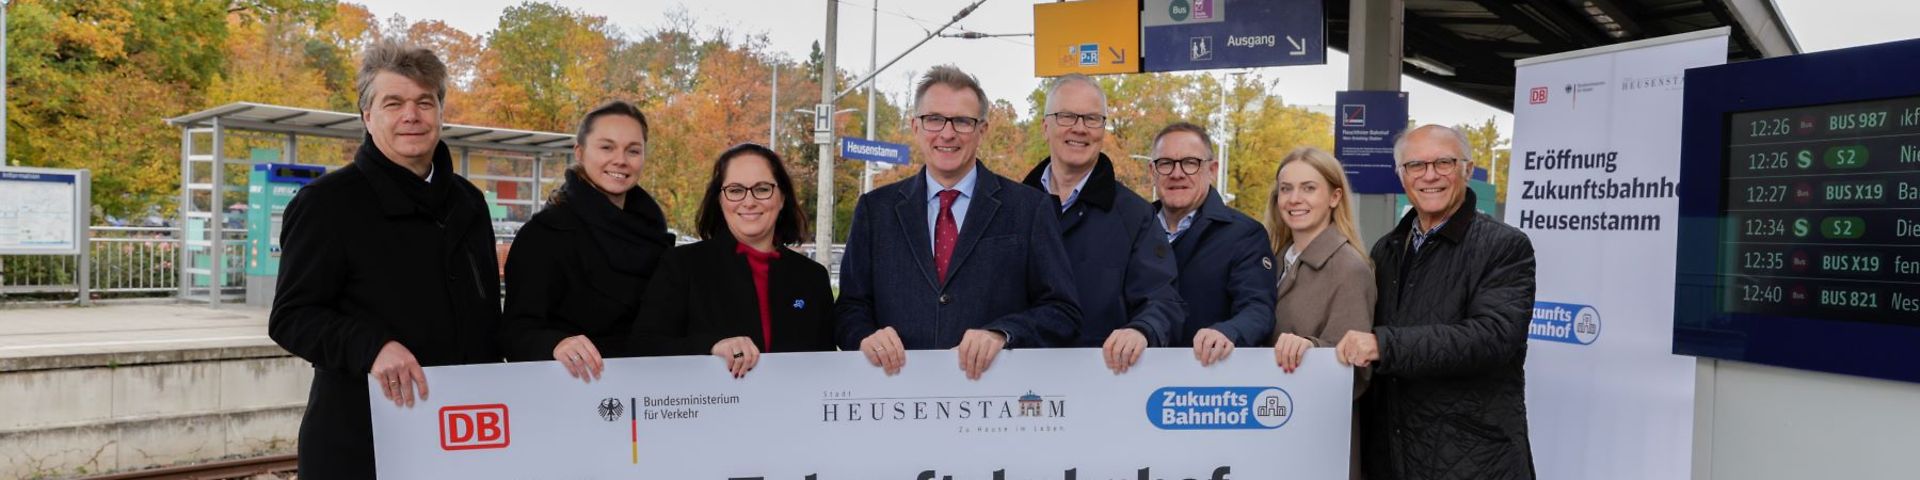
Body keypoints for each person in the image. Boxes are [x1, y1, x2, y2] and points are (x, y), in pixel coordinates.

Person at [267, 40, 500, 478]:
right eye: (393, 103)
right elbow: (292, 317)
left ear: (440, 113)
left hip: (460, 434)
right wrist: (371, 347)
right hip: (361, 441)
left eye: (424, 102)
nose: (411, 115)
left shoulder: (469, 202)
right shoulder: (326, 204)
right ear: (367, 116)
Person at [836, 65, 1081, 380]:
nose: (947, 133)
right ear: (915, 126)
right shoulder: (875, 210)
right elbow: (848, 309)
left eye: (963, 121)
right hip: (897, 394)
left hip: (993, 397)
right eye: (934, 119)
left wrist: (1003, 334)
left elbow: (1063, 312)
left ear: (983, 130)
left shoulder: (1029, 208)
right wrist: (864, 336)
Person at [1336, 124, 1537, 479]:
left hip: (1473, 458)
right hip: (1394, 456)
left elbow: (1493, 338)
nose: (1430, 176)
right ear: (1401, 175)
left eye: (1443, 163)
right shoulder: (1387, 248)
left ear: (1467, 169)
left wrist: (1384, 345)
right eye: (1416, 165)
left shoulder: (1504, 246)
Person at [497, 101, 674, 381]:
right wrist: (556, 344)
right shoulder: (545, 234)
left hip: (652, 391)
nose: (620, 160)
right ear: (579, 152)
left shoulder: (654, 232)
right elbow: (516, 334)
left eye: (633, 150)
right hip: (576, 391)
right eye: (607, 147)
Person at [1019, 74, 1183, 374]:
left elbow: (1163, 300)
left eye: (1092, 119)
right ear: (1045, 127)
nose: (1080, 128)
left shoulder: (1135, 216)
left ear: (1103, 130)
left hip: (1104, 381)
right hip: (1017, 380)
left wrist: (1142, 330)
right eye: (1067, 116)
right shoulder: (1012, 208)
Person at [630, 143, 836, 376]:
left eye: (762, 189)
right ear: (720, 200)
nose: (749, 201)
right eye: (736, 190)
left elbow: (826, 368)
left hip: (793, 399)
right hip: (706, 398)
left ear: (782, 198)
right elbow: (644, 346)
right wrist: (710, 346)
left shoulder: (812, 278)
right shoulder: (682, 265)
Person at [1264, 147, 1375, 480]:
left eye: (1309, 188)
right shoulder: (1274, 259)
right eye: (1286, 189)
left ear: (1334, 197)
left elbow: (1357, 370)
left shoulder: (1349, 268)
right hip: (1270, 425)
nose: (1294, 199)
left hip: (1317, 438)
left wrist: (1312, 348)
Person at [1147, 122, 1276, 365]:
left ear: (1212, 170)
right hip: (1133, 375)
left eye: (1190, 163)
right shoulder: (1133, 229)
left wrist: (1228, 332)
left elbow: (1258, 309)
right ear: (1152, 171)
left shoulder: (1244, 235)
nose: (1177, 173)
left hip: (1206, 376)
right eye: (1166, 163)